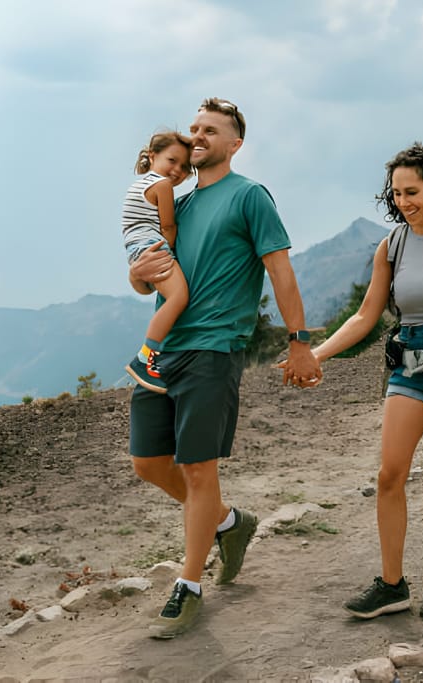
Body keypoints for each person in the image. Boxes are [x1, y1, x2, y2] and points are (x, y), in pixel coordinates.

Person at [287, 142, 423, 619]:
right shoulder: (393, 245)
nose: (404, 202)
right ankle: (392, 585)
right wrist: (316, 355)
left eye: (412, 191)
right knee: (390, 474)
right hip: (409, 367)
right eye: (396, 194)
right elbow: (366, 315)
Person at [127, 97, 321, 639]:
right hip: (164, 351)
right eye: (192, 128)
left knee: (197, 469)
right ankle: (230, 523)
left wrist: (300, 340)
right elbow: (151, 277)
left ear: (234, 143)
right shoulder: (178, 205)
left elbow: (280, 271)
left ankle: (188, 587)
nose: (197, 136)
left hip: (214, 348)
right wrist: (138, 276)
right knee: (147, 463)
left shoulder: (249, 196)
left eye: (209, 129)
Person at [122, 131, 194, 393]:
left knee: (172, 298)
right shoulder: (162, 186)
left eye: (185, 167)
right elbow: (168, 225)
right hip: (154, 246)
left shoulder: (137, 185)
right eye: (172, 160)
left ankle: (150, 358)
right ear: (152, 156)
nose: (178, 170)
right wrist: (173, 249)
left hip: (136, 248)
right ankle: (145, 358)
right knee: (178, 297)